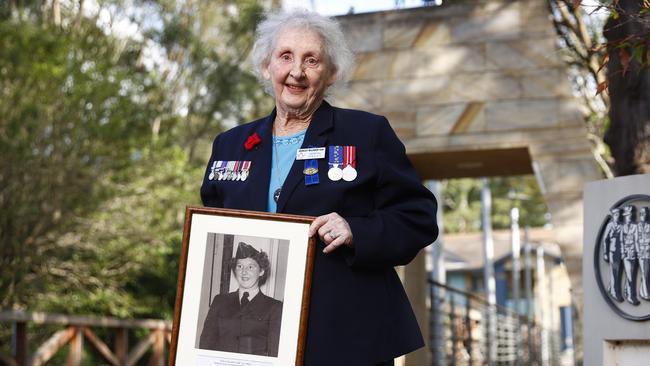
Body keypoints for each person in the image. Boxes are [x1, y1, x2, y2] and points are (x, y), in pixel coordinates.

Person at [200, 9, 438, 365]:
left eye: (311, 60)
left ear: (331, 73)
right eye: (285, 57)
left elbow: (418, 217)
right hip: (254, 345)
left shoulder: (366, 134)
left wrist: (356, 230)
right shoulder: (230, 145)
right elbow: (212, 224)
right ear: (267, 67)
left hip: (345, 336)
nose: (297, 71)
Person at [199, 242, 282, 356]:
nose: (244, 272)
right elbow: (205, 344)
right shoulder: (220, 301)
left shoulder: (274, 307)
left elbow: (275, 352)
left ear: (261, 271)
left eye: (250, 267)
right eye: (240, 266)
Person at [603, 207, 624, 302]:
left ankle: (611, 288)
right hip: (612, 251)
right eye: (616, 215)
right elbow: (605, 239)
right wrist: (605, 253)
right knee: (614, 271)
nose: (618, 217)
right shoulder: (610, 225)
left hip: (620, 252)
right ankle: (614, 292)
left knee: (617, 271)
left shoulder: (621, 225)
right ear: (614, 216)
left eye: (619, 215)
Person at [637, 206, 650, 300]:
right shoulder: (637, 226)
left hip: (648, 252)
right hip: (641, 253)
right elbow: (636, 240)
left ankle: (643, 291)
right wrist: (638, 251)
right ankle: (645, 293)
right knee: (643, 272)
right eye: (641, 214)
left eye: (644, 213)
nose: (643, 216)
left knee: (646, 272)